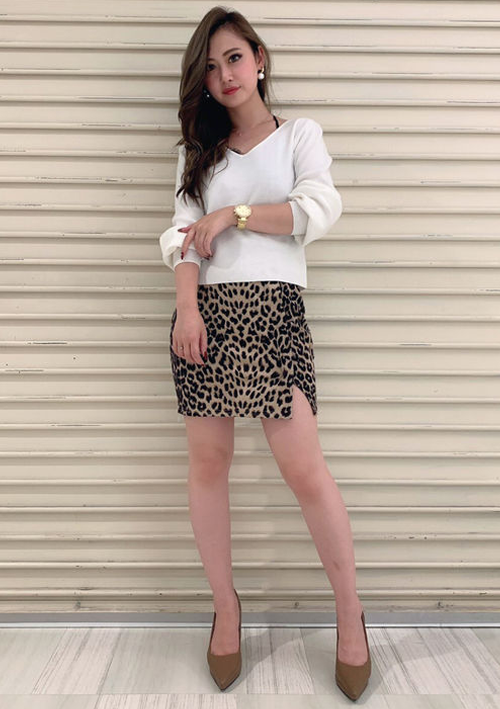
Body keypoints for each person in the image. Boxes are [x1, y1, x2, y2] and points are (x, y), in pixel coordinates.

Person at [159, 5, 371, 700]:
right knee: (207, 467)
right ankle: (226, 608)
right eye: (211, 66)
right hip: (206, 317)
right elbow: (182, 237)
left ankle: (349, 612)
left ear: (258, 59)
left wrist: (236, 214)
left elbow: (316, 209)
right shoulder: (198, 151)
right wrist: (188, 308)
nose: (224, 74)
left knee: (305, 470)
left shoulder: (298, 135)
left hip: (275, 314)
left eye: (234, 58)